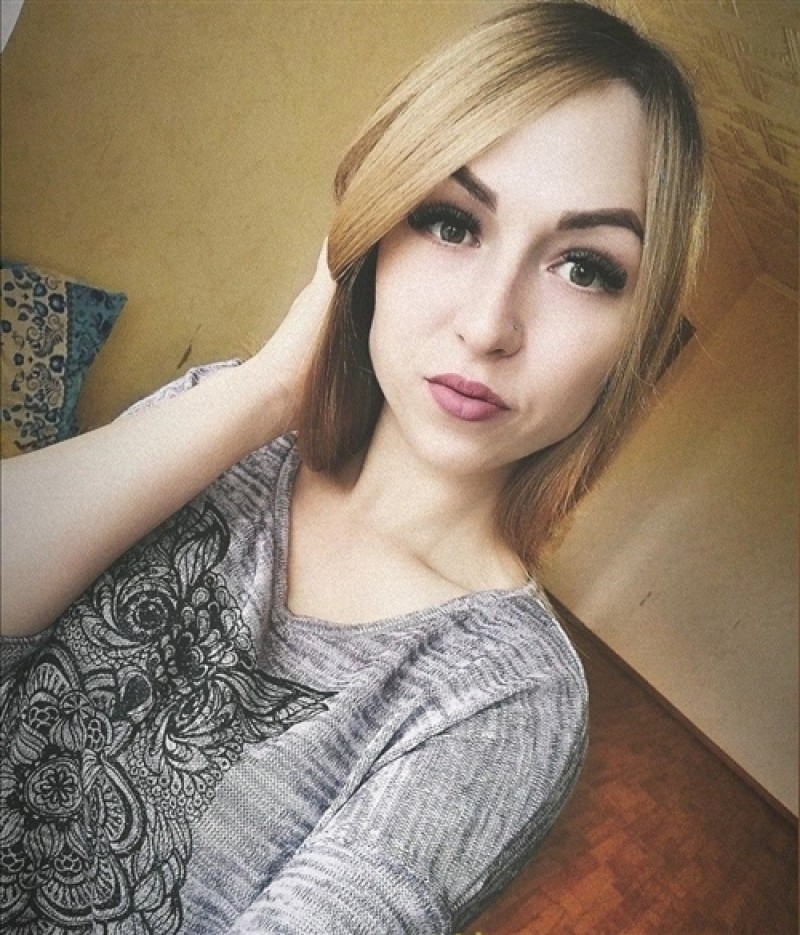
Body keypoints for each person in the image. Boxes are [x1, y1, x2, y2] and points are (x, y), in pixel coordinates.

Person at [0, 1, 707, 932]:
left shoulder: (507, 695)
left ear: (636, 337)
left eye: (585, 268)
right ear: (373, 234)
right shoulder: (219, 420)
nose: (487, 326)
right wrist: (264, 391)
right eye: (451, 222)